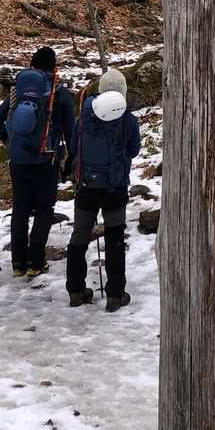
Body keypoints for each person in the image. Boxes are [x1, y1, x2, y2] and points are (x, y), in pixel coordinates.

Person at [0, 47, 75, 278]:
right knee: (44, 209)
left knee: (20, 209)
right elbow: (71, 132)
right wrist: (71, 159)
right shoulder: (58, 94)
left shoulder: (18, 91)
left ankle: (18, 263)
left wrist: (9, 141)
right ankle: (36, 262)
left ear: (32, 65)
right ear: (54, 68)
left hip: (18, 160)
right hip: (46, 159)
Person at [66, 68, 140, 311]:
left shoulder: (83, 117)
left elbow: (74, 148)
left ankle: (76, 291)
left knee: (79, 237)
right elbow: (133, 151)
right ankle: (115, 295)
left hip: (86, 186)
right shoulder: (128, 120)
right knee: (114, 238)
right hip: (115, 187)